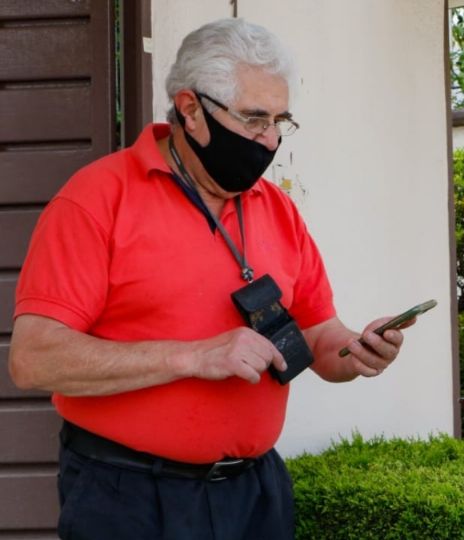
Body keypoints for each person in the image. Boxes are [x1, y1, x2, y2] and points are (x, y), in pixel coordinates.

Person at [8, 18, 411, 540]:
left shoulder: (278, 209)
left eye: (280, 121)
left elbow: (315, 333)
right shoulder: (95, 200)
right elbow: (34, 359)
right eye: (253, 119)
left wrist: (356, 351)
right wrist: (192, 357)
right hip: (127, 496)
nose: (269, 140)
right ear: (190, 109)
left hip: (255, 494)